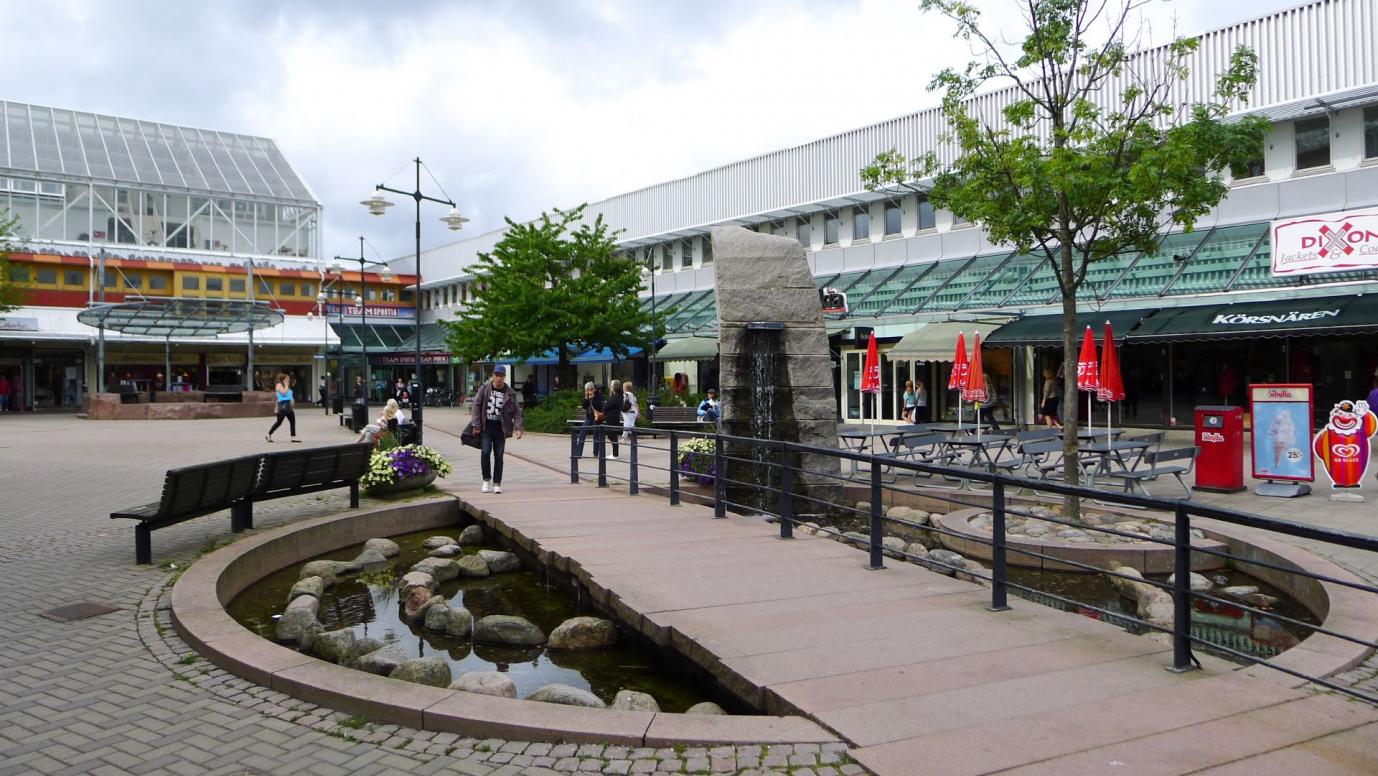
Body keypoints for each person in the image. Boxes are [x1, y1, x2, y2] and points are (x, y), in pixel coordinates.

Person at [470, 365, 523, 493]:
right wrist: (476, 425)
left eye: (501, 376)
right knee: (485, 452)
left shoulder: (510, 393)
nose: (498, 378)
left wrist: (518, 428)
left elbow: (516, 411)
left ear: (504, 377)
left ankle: (497, 483)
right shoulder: (485, 389)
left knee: (499, 456)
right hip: (486, 427)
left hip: (501, 429)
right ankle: (486, 480)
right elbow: (476, 406)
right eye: (496, 375)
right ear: (493, 376)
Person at [265, 372, 300, 442]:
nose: (289, 380)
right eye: (287, 378)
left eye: (289, 378)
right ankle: (268, 434)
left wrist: (292, 403)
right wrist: (286, 385)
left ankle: (293, 437)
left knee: (292, 421)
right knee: (279, 422)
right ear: (283, 379)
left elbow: (290, 396)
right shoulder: (279, 385)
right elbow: (284, 392)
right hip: (282, 406)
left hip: (289, 406)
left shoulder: (288, 387)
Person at [576, 381, 604, 458]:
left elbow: (599, 406)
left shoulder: (599, 395)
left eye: (589, 390)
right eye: (586, 390)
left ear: (592, 389)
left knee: (596, 434)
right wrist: (586, 398)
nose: (587, 391)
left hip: (596, 417)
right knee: (582, 433)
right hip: (588, 417)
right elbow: (584, 406)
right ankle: (578, 453)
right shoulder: (587, 395)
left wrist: (592, 399)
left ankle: (595, 453)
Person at [602, 380, 624, 460]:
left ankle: (615, 454)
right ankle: (615, 454)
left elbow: (605, 406)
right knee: (612, 436)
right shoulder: (616, 396)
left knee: (612, 436)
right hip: (612, 418)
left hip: (612, 418)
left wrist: (605, 404)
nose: (610, 387)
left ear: (615, 387)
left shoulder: (615, 397)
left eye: (611, 386)